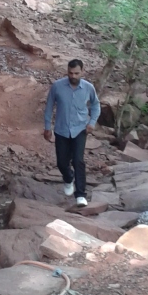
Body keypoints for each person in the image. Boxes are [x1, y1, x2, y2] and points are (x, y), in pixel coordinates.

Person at [43, 58, 100, 207]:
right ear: (67, 71)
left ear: (82, 72)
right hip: (61, 129)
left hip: (80, 129)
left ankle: (80, 194)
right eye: (70, 73)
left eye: (76, 73)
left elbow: (95, 105)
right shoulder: (57, 86)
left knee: (78, 161)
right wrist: (47, 127)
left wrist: (92, 122)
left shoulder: (88, 88)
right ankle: (68, 178)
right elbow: (49, 106)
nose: (73, 76)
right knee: (62, 162)